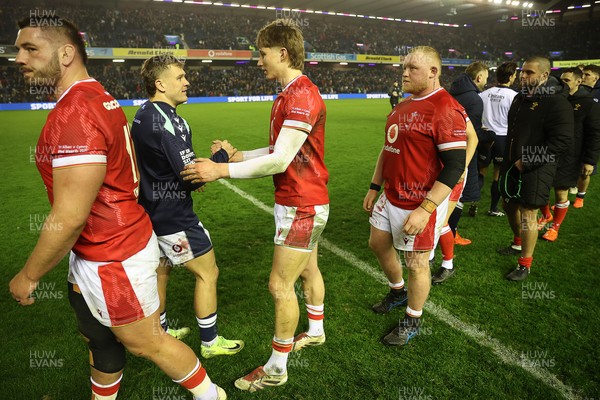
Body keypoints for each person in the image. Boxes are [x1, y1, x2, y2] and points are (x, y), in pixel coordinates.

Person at [10, 16, 225, 400]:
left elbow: (71, 215)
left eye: (29, 48)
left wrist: (28, 275)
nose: (18, 58)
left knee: (149, 343)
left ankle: (211, 394)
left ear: (65, 53)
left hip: (112, 253)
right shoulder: (97, 96)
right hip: (103, 247)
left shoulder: (75, 113)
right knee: (99, 339)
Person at [180, 19, 329, 392]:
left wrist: (221, 170)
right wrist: (240, 154)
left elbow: (279, 161)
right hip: (304, 202)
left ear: (282, 53)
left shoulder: (300, 96)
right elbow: (281, 150)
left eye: (262, 54)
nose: (258, 61)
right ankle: (316, 331)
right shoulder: (290, 93)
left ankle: (277, 367)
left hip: (301, 205)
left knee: (280, 285)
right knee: (308, 270)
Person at [130, 55, 244, 358]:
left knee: (162, 271)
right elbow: (191, 176)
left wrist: (188, 175)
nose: (186, 82)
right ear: (160, 84)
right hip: (174, 217)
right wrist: (223, 156)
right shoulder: (167, 120)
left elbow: (167, 166)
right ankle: (210, 343)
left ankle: (161, 332)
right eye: (180, 77)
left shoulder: (143, 113)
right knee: (208, 272)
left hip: (149, 212)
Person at [363, 46, 467, 344]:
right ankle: (398, 292)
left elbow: (455, 166)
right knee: (378, 243)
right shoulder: (401, 107)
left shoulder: (446, 108)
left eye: (412, 68)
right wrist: (374, 186)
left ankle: (412, 318)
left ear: (434, 72)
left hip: (420, 201)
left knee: (417, 263)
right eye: (403, 67)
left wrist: (426, 209)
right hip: (391, 194)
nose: (404, 73)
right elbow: (388, 149)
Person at [497, 56, 573, 281]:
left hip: (537, 166)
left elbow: (562, 141)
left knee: (528, 213)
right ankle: (518, 243)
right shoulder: (520, 98)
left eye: (529, 72)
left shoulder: (557, 102)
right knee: (508, 204)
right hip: (512, 163)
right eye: (522, 71)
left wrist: (527, 160)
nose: (523, 75)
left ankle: (525, 264)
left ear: (544, 76)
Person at [537, 68, 600, 241]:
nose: (562, 84)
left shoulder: (589, 103)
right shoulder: (555, 100)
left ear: (578, 82)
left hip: (570, 155)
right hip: (547, 151)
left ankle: (554, 227)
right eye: (561, 81)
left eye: (566, 81)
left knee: (560, 192)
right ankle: (546, 215)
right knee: (540, 188)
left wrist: (589, 160)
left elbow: (595, 134)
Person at [447, 61, 489, 244]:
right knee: (460, 193)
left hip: (445, 149)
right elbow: (472, 133)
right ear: (479, 77)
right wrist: (490, 136)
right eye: (486, 78)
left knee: (445, 191)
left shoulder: (450, 94)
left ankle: (443, 229)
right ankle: (452, 233)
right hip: (464, 153)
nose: (486, 82)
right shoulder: (474, 99)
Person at [478, 62, 518, 217]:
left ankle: (472, 202)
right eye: (514, 75)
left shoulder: (483, 94)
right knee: (498, 173)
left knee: (481, 170)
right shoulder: (514, 96)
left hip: (485, 137)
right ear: (510, 76)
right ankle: (493, 208)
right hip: (502, 138)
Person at [574, 64, 600, 207]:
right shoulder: (577, 91)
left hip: (592, 135)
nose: (583, 77)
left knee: (586, 168)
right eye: (582, 74)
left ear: (596, 77)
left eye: (587, 74)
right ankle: (564, 197)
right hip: (577, 135)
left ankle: (580, 197)